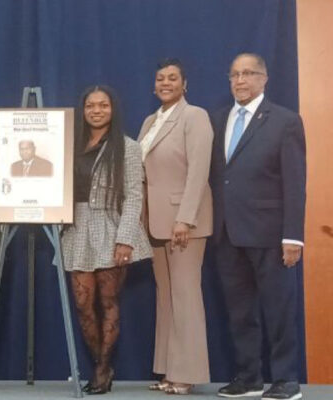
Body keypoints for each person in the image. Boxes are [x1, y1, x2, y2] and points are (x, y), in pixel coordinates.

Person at [210, 53, 305, 400]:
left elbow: (295, 183)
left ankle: (286, 380)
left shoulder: (285, 121)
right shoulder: (218, 120)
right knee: (239, 311)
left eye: (248, 73)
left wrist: (293, 237)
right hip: (227, 233)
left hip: (270, 233)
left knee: (278, 309)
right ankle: (248, 377)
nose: (240, 80)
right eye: (234, 74)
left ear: (264, 78)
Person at [61, 85, 152, 395]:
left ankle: (102, 368)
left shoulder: (128, 147)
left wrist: (125, 239)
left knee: (108, 301)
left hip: (112, 226)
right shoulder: (69, 144)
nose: (96, 111)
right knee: (83, 304)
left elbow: (134, 195)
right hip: (76, 227)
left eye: (103, 105)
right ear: (83, 110)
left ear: (113, 110)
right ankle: (100, 362)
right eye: (90, 105)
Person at [138, 59, 213, 395]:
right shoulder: (149, 121)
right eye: (160, 78)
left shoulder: (194, 116)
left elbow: (198, 171)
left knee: (185, 296)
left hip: (184, 223)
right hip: (155, 222)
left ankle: (187, 374)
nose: (165, 83)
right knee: (166, 297)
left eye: (172, 78)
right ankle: (170, 371)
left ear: (185, 84)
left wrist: (185, 217)